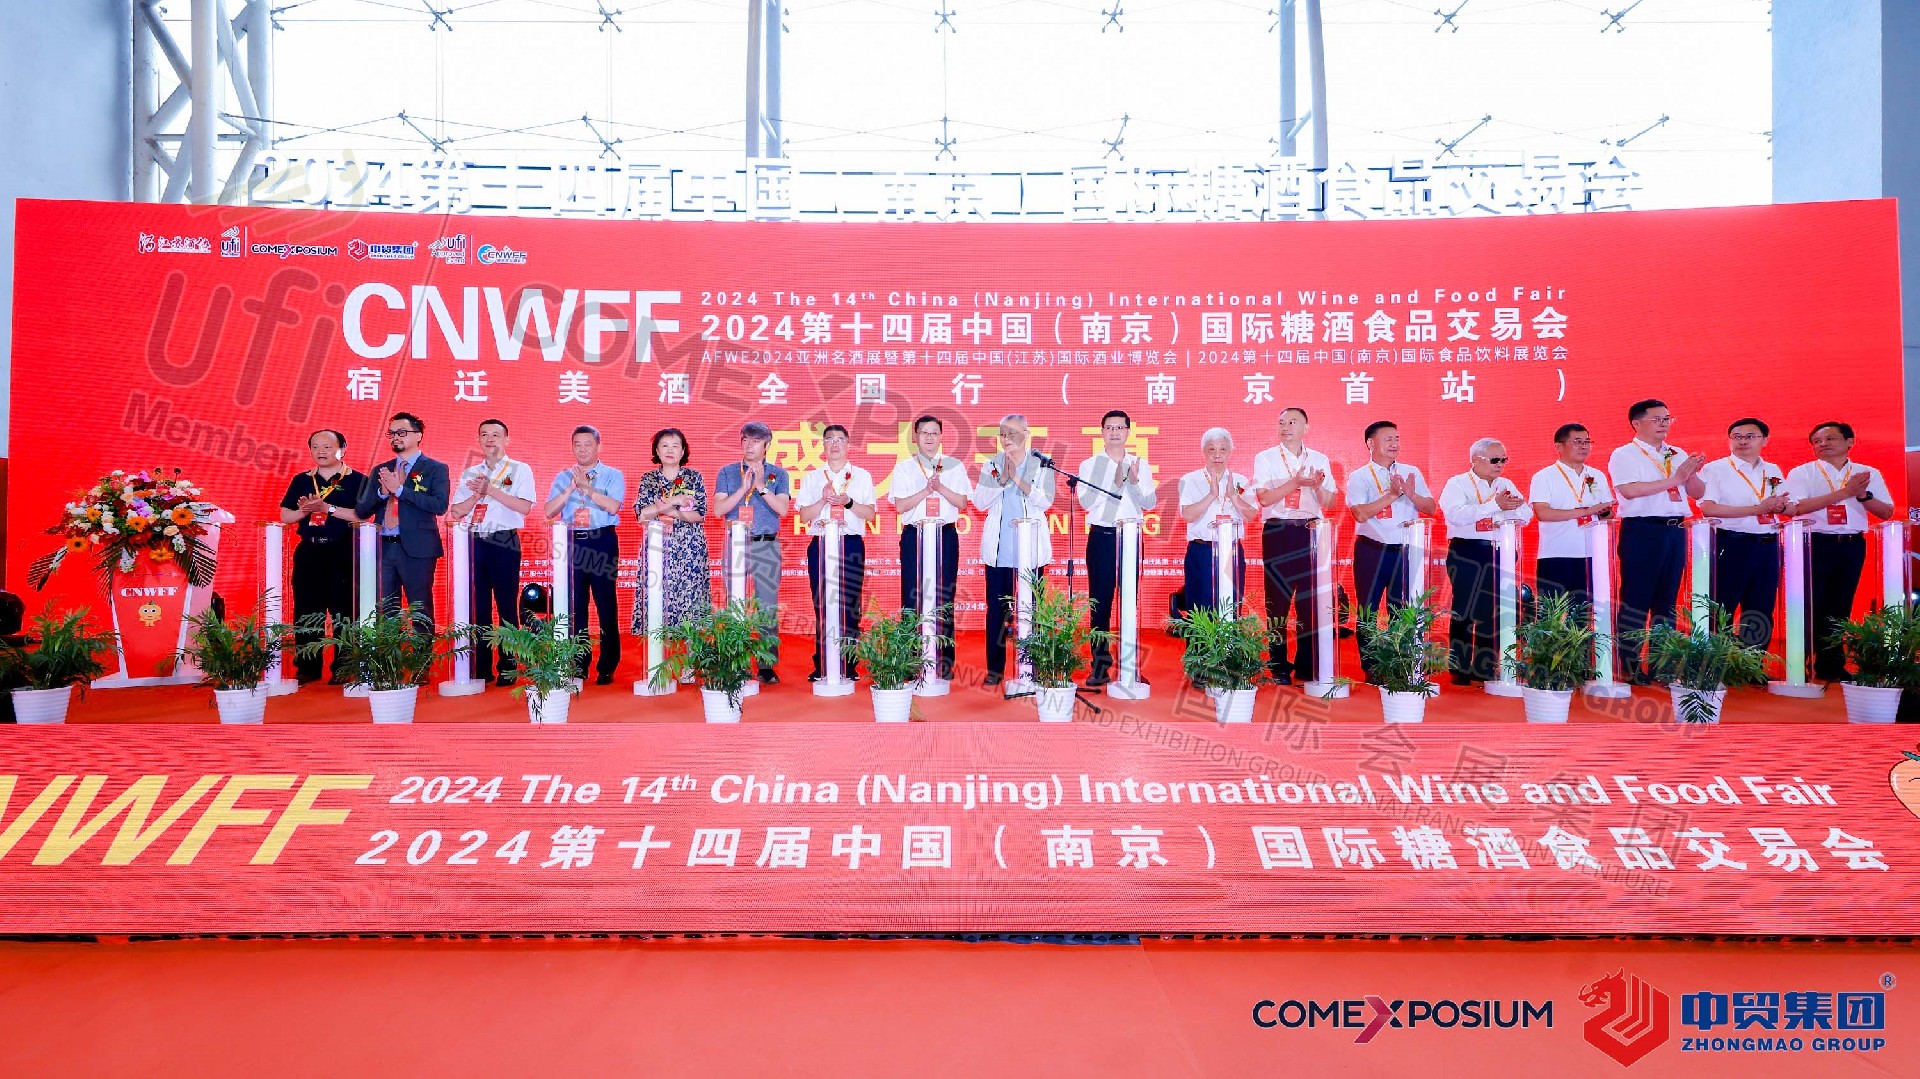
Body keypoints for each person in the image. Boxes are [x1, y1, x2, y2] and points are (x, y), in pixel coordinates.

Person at [1785, 421, 1896, 682]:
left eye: (1830, 439)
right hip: (1814, 543)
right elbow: (1796, 508)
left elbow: (1886, 512)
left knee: (1840, 605)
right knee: (1810, 604)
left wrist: (1863, 495)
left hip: (1851, 545)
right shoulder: (1802, 473)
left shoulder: (1867, 473)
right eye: (1817, 441)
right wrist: (1845, 492)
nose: (1823, 444)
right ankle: (1797, 663)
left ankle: (1831, 664)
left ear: (1850, 442)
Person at [1606, 399, 1706, 683]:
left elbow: (1698, 493)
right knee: (1636, 599)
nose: (1664, 424)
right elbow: (1629, 490)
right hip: (1643, 531)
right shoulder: (1624, 454)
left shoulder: (1677, 453)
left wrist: (1691, 473)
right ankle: (1630, 665)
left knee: (1667, 601)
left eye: (1667, 419)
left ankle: (1663, 663)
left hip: (1675, 531)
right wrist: (1676, 478)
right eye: (1657, 419)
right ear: (1637, 424)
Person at [1252, 406, 1337, 685]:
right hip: (1278, 531)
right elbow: (1264, 499)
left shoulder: (1319, 459)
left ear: (1305, 428)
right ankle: (1277, 666)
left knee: (1310, 602)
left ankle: (1306, 665)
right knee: (1277, 602)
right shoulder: (1265, 458)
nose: (1285, 427)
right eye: (1281, 422)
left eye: (1292, 422)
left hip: (1311, 531)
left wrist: (1317, 487)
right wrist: (1296, 482)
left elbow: (1331, 502)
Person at [1344, 420, 1436, 677]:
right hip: (1371, 550)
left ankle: (1399, 664)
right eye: (1388, 439)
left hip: (1405, 551)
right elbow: (1360, 513)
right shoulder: (1359, 476)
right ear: (1370, 443)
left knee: (1402, 610)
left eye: (1397, 438)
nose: (1394, 444)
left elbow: (1430, 508)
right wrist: (1392, 495)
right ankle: (1372, 667)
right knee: (1368, 610)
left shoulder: (1410, 471)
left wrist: (1411, 493)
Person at [1439, 438, 1534, 684]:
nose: (1500, 464)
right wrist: (1494, 505)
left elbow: (1526, 514)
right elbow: (1455, 515)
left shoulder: (1506, 484)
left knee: (1493, 610)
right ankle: (1459, 668)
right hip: (1467, 551)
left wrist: (1512, 509)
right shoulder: (1457, 483)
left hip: (1501, 551)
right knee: (1465, 609)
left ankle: (1485, 668)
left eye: (1503, 459)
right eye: (1495, 460)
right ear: (1475, 460)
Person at [971, 414, 1057, 687]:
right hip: (1000, 553)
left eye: (1012, 433)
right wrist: (1002, 480)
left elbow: (1046, 501)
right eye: (1002, 433)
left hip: (1031, 552)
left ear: (1026, 434)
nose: (1006, 438)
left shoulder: (1042, 464)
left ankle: (1035, 666)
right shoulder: (992, 465)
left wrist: (1017, 479)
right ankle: (995, 670)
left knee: (1034, 611)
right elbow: (979, 502)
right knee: (997, 612)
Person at [1074, 410, 1158, 688]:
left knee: (1129, 603)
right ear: (1102, 432)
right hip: (1103, 537)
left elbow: (1149, 503)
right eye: (1109, 427)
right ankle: (1100, 666)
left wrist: (1133, 482)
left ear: (1128, 432)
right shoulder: (1090, 465)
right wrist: (1114, 482)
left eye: (1119, 428)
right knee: (1100, 604)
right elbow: (1086, 503)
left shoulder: (1139, 464)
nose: (1114, 432)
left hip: (1131, 537)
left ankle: (1130, 668)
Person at [451, 419, 536, 686]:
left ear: (506, 439)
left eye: (496, 435)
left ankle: (508, 666)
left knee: (506, 606)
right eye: (484, 435)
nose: (490, 439)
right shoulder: (471, 473)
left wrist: (491, 490)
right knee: (479, 608)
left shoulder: (520, 469)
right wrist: (477, 495)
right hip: (474, 542)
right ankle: (481, 666)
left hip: (504, 542)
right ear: (478, 440)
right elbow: (456, 511)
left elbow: (524, 507)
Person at [278, 429, 367, 683]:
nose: (321, 451)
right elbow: (286, 516)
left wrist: (327, 508)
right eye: (315, 447)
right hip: (310, 551)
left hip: (343, 550)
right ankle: (307, 667)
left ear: (342, 449)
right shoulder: (302, 480)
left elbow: (362, 515)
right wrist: (306, 510)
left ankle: (343, 666)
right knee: (306, 610)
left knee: (344, 610)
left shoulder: (357, 480)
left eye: (327, 446)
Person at [889, 414, 973, 681]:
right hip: (914, 535)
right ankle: (911, 660)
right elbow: (900, 506)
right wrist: (926, 491)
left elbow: (962, 503)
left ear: (941, 437)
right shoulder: (904, 468)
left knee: (944, 597)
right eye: (924, 432)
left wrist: (940, 487)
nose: (929, 437)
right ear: (915, 437)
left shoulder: (954, 466)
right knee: (911, 597)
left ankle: (944, 661)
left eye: (934, 432)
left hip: (944, 535)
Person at [1697, 418, 1791, 649]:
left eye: (1750, 436)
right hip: (1732, 544)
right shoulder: (1715, 469)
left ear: (1764, 440)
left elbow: (1788, 506)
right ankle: (1718, 661)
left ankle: (1752, 662)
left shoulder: (1772, 470)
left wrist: (1780, 507)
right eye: (1737, 437)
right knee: (1722, 608)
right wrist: (1757, 509)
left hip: (1768, 545)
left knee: (1761, 608)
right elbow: (1708, 508)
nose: (1743, 441)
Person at [544, 425, 627, 685]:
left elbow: (613, 506)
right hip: (571, 543)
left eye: (588, 444)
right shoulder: (563, 477)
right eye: (577, 444)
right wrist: (571, 488)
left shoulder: (613, 475)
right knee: (574, 606)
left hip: (602, 541)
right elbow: (549, 511)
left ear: (598, 446)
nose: (582, 449)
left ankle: (607, 666)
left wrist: (586, 487)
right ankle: (578, 663)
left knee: (605, 604)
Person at [713, 421, 792, 684]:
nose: (749, 446)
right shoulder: (727, 471)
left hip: (765, 543)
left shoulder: (778, 474)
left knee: (766, 607)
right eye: (745, 440)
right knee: (734, 603)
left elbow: (782, 509)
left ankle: (767, 665)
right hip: (735, 542)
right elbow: (719, 510)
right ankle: (736, 661)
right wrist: (742, 489)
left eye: (756, 441)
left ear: (767, 445)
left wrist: (760, 486)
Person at [798, 423, 876, 682]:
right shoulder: (812, 477)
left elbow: (870, 514)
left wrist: (848, 502)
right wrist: (823, 500)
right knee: (822, 602)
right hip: (820, 543)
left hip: (850, 543)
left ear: (848, 444)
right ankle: (822, 663)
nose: (834, 444)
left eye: (840, 439)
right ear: (823, 445)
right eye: (829, 439)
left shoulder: (862, 476)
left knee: (850, 604)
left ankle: (849, 663)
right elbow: (803, 515)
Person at [355, 411, 449, 627]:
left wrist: (399, 490)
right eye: (392, 433)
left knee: (420, 608)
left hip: (419, 549)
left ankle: (422, 650)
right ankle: (389, 651)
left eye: (402, 432)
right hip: (383, 548)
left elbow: (439, 505)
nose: (396, 437)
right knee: (385, 609)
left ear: (418, 435)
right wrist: (382, 492)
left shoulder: (435, 468)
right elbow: (361, 511)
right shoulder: (381, 470)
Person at [631, 427, 710, 679]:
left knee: (690, 604)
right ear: (656, 450)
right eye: (664, 445)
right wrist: (674, 502)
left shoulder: (694, 477)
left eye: (675, 446)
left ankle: (690, 663)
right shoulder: (648, 479)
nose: (670, 450)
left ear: (683, 451)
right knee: (658, 600)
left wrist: (667, 509)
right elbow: (642, 514)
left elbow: (699, 515)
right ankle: (659, 662)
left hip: (689, 549)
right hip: (658, 548)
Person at [1527, 423, 1615, 621]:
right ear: (1559, 446)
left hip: (1591, 554)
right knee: (1550, 618)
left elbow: (1607, 515)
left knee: (1582, 618)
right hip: (1556, 554)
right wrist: (1586, 511)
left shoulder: (1596, 475)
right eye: (1577, 442)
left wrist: (1604, 512)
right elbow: (1543, 513)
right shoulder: (1544, 476)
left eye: (1587, 442)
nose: (1584, 446)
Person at [1178, 427, 1260, 616]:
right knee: (1200, 608)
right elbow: (1188, 515)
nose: (1217, 455)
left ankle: (1230, 637)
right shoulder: (1190, 480)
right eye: (1211, 449)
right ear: (1203, 452)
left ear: (1230, 451)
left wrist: (1233, 496)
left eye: (1223, 449)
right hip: (1202, 551)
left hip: (1231, 550)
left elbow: (1251, 515)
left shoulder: (1239, 481)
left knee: (1230, 606)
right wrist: (1211, 495)